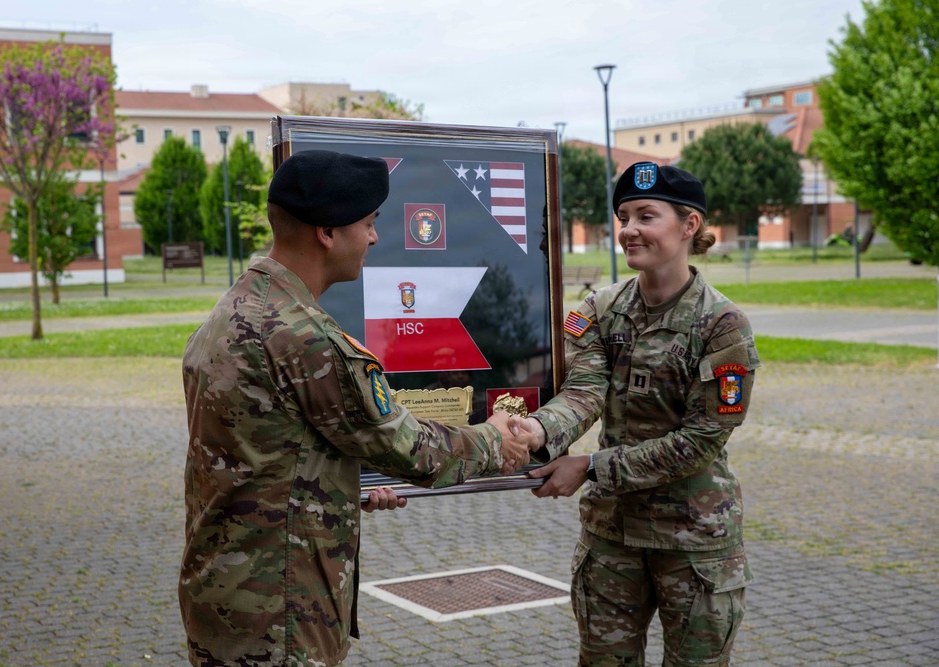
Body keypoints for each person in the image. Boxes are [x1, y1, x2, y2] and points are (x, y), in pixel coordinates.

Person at [180, 149, 531, 667]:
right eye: (367, 224)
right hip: (280, 613)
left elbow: (265, 451)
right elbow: (412, 451)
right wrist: (496, 437)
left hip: (227, 595)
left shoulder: (235, 307)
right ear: (327, 231)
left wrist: (345, 486)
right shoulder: (305, 338)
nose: (372, 238)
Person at [518, 162, 760, 667]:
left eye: (645, 216)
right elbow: (583, 392)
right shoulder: (599, 310)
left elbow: (700, 441)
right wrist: (538, 430)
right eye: (624, 216)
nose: (628, 230)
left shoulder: (722, 324)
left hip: (693, 542)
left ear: (689, 225)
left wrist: (590, 467)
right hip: (613, 534)